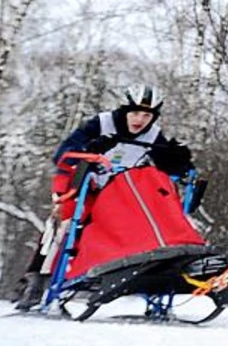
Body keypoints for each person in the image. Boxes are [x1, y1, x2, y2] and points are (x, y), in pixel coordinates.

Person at [13, 83, 194, 311]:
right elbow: (64, 154)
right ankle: (36, 280)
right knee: (65, 225)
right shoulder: (102, 123)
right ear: (125, 110)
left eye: (147, 115)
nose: (140, 120)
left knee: (152, 221)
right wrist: (91, 150)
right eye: (135, 113)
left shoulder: (154, 135)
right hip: (87, 189)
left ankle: (152, 273)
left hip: (123, 197)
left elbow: (168, 171)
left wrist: (179, 160)